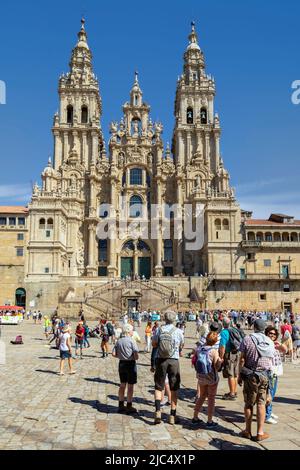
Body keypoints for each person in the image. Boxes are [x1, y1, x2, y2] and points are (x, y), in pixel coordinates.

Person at [238, 319, 275, 442]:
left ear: (253, 327)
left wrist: (239, 374)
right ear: (264, 329)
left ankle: (247, 431)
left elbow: (242, 359)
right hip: (264, 375)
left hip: (250, 375)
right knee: (261, 403)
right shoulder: (269, 341)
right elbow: (271, 361)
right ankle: (260, 432)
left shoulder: (247, 339)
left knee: (249, 403)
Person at [152, 310, 184, 425]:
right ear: (174, 319)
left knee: (158, 386)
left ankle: (157, 412)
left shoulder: (159, 330)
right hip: (174, 360)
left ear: (164, 319)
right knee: (174, 388)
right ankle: (172, 416)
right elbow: (181, 345)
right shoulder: (179, 331)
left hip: (161, 360)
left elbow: (154, 344)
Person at [192, 332, 223, 428]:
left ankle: (195, 416)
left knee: (202, 396)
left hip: (201, 377)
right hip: (211, 378)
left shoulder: (199, 349)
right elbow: (216, 367)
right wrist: (220, 361)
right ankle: (209, 420)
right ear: (215, 342)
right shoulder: (213, 351)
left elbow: (195, 361)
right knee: (211, 399)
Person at [112, 324, 139, 414]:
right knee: (130, 386)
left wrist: (121, 356)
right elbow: (136, 356)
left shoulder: (119, 341)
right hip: (130, 363)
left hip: (122, 363)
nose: (132, 332)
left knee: (122, 384)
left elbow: (113, 354)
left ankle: (120, 405)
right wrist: (133, 357)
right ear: (128, 331)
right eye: (131, 330)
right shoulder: (132, 341)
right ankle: (129, 405)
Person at [264, 326, 287, 425]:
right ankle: (267, 416)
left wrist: (280, 344)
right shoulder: (266, 344)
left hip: (275, 373)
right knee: (270, 394)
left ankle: (268, 411)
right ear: (266, 334)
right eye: (270, 333)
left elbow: (285, 350)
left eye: (274, 334)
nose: (272, 335)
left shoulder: (275, 344)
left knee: (272, 393)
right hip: (270, 373)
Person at [219, 318, 242, 400]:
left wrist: (221, 357)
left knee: (230, 374)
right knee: (235, 373)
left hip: (229, 354)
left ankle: (231, 394)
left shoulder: (224, 332)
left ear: (223, 324)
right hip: (237, 353)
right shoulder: (235, 330)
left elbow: (222, 346)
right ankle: (234, 391)